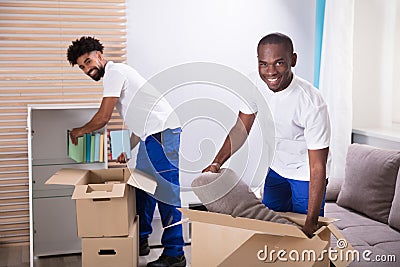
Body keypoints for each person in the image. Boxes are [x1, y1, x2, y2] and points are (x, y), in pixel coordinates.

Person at [67, 36, 186, 267]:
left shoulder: (114, 72)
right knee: (142, 188)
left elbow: (102, 118)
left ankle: (175, 254)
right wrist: (128, 149)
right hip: (151, 135)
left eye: (88, 62)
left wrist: (79, 131)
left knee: (166, 194)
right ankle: (140, 239)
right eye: (82, 67)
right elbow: (139, 117)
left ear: (99, 56)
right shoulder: (115, 76)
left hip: (163, 134)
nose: (86, 69)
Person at [203, 32, 331, 237]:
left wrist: (312, 221)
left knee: (308, 239)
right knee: (271, 231)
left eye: (279, 63)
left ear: (293, 60)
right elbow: (240, 128)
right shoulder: (254, 84)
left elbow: (317, 165)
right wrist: (217, 162)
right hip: (276, 169)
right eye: (263, 64)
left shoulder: (312, 102)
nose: (270, 71)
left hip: (305, 174)